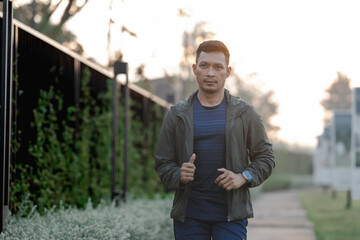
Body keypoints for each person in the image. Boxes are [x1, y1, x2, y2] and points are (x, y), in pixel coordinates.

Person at [155, 40, 275, 240]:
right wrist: (179, 174)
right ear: (195, 69)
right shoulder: (176, 114)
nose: (210, 73)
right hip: (189, 217)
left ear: (227, 72)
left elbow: (266, 158)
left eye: (218, 67)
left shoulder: (245, 113)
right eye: (204, 66)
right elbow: (162, 163)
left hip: (231, 217)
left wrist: (243, 176)